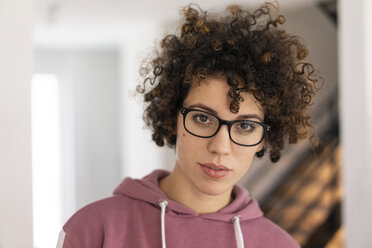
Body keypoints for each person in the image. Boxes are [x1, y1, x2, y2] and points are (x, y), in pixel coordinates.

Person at [57, 1, 320, 247]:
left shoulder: (279, 245)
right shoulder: (94, 229)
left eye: (245, 126)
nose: (220, 147)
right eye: (203, 118)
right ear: (173, 118)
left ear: (263, 138)